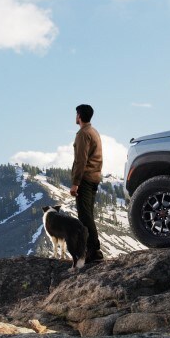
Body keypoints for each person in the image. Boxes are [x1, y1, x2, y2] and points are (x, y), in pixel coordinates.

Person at [69, 104, 106, 266]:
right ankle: (92, 250)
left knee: (84, 216)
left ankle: (94, 251)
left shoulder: (83, 134)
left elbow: (81, 160)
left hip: (85, 179)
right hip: (94, 177)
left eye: (76, 114)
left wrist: (75, 183)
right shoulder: (94, 132)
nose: (75, 117)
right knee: (88, 214)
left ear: (79, 116)